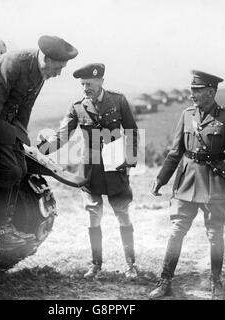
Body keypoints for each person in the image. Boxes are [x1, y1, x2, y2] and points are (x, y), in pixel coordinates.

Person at [149, 70, 225, 299]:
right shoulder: (186, 115)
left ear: (211, 92)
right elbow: (175, 152)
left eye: (197, 90)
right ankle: (165, 281)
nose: (192, 94)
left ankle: (216, 283)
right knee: (176, 232)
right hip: (187, 182)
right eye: (191, 90)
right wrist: (161, 179)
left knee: (215, 235)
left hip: (215, 185)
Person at [38, 63, 139, 279]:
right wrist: (43, 148)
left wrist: (128, 162)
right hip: (90, 169)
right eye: (83, 84)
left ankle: (131, 265)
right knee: (93, 216)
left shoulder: (118, 101)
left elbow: (132, 131)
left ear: (101, 81)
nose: (85, 88)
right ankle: (96, 265)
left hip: (116, 167)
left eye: (90, 84)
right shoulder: (77, 107)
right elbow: (62, 136)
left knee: (122, 214)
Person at [0, 35, 78, 249]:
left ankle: (6, 226)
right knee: (9, 171)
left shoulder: (40, 73)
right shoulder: (14, 63)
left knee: (22, 168)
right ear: (46, 58)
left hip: (8, 127)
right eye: (58, 67)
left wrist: (22, 141)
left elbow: (25, 110)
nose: (59, 73)